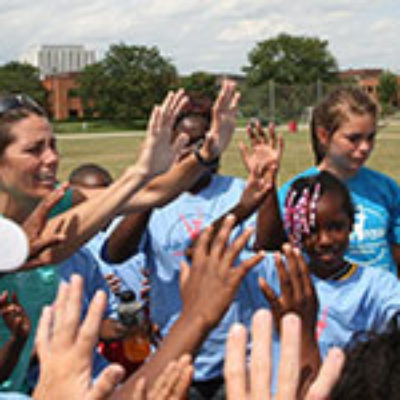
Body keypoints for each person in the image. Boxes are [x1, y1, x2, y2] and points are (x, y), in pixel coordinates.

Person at [0, 80, 239, 392]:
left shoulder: (61, 201)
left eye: (53, 145)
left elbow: (151, 193)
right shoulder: (30, 231)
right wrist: (139, 172)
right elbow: (41, 249)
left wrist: (207, 152)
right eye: (34, 150)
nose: (52, 159)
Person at [104, 99, 277, 399]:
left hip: (238, 353)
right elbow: (115, 252)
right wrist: (155, 191)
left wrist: (266, 186)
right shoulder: (153, 199)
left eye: (204, 141)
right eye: (184, 142)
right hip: (176, 352)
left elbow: (272, 244)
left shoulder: (239, 191)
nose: (193, 150)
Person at [256, 171, 400, 394]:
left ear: (351, 224)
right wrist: (262, 189)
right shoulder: (282, 274)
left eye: (335, 227)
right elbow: (200, 253)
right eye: (311, 230)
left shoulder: (375, 284)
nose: (324, 240)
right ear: (295, 231)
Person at [257, 87, 400, 275]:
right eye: (354, 138)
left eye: (370, 137)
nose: (365, 147)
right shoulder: (296, 193)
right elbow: (273, 252)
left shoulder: (386, 188)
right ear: (323, 135)